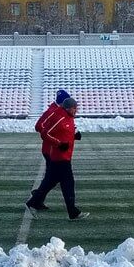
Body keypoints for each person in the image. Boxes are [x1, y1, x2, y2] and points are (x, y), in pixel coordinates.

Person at [26, 92, 88, 220]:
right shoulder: (59, 116)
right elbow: (44, 133)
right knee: (68, 184)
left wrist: (74, 135)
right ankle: (73, 212)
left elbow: (65, 132)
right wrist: (59, 144)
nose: (77, 110)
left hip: (63, 156)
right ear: (68, 107)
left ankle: (33, 202)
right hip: (59, 157)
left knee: (50, 182)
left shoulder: (69, 117)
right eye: (75, 108)